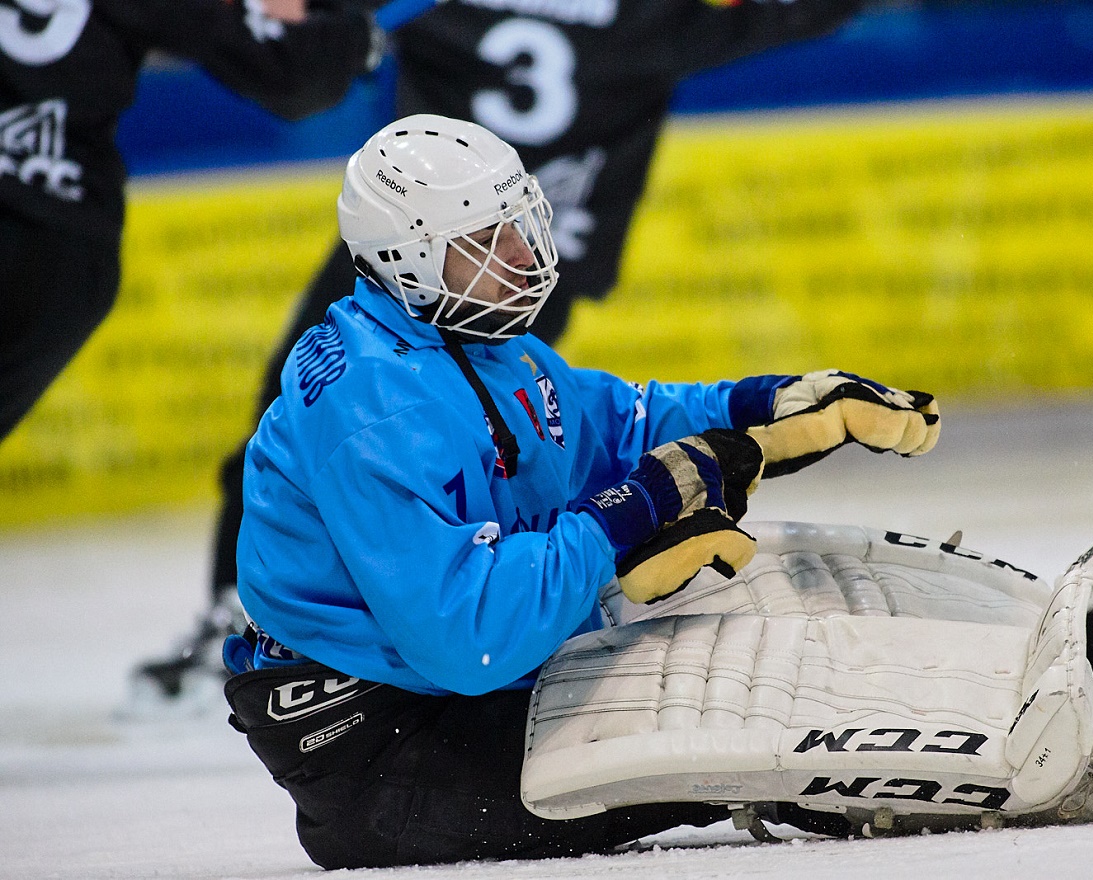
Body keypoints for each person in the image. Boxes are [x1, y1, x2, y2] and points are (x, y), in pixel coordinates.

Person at [220, 114, 948, 867]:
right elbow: (465, 641)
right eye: (484, 245)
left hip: (445, 695)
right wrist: (622, 522)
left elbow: (609, 423)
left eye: (518, 227)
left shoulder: (471, 341)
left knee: (726, 631)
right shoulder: (379, 409)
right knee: (727, 731)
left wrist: (763, 407)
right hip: (381, 748)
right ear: (407, 261)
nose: (521, 256)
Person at [130, 0, 878, 708]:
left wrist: (744, 412)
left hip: (449, 257)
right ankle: (314, 629)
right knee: (456, 451)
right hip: (511, 249)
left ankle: (290, 615)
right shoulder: (647, 16)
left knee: (493, 447)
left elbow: (303, 47)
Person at [0, 0, 384, 443]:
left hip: (45, 233)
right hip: (45, 223)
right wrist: (357, 37)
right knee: (296, 423)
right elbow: (285, 70)